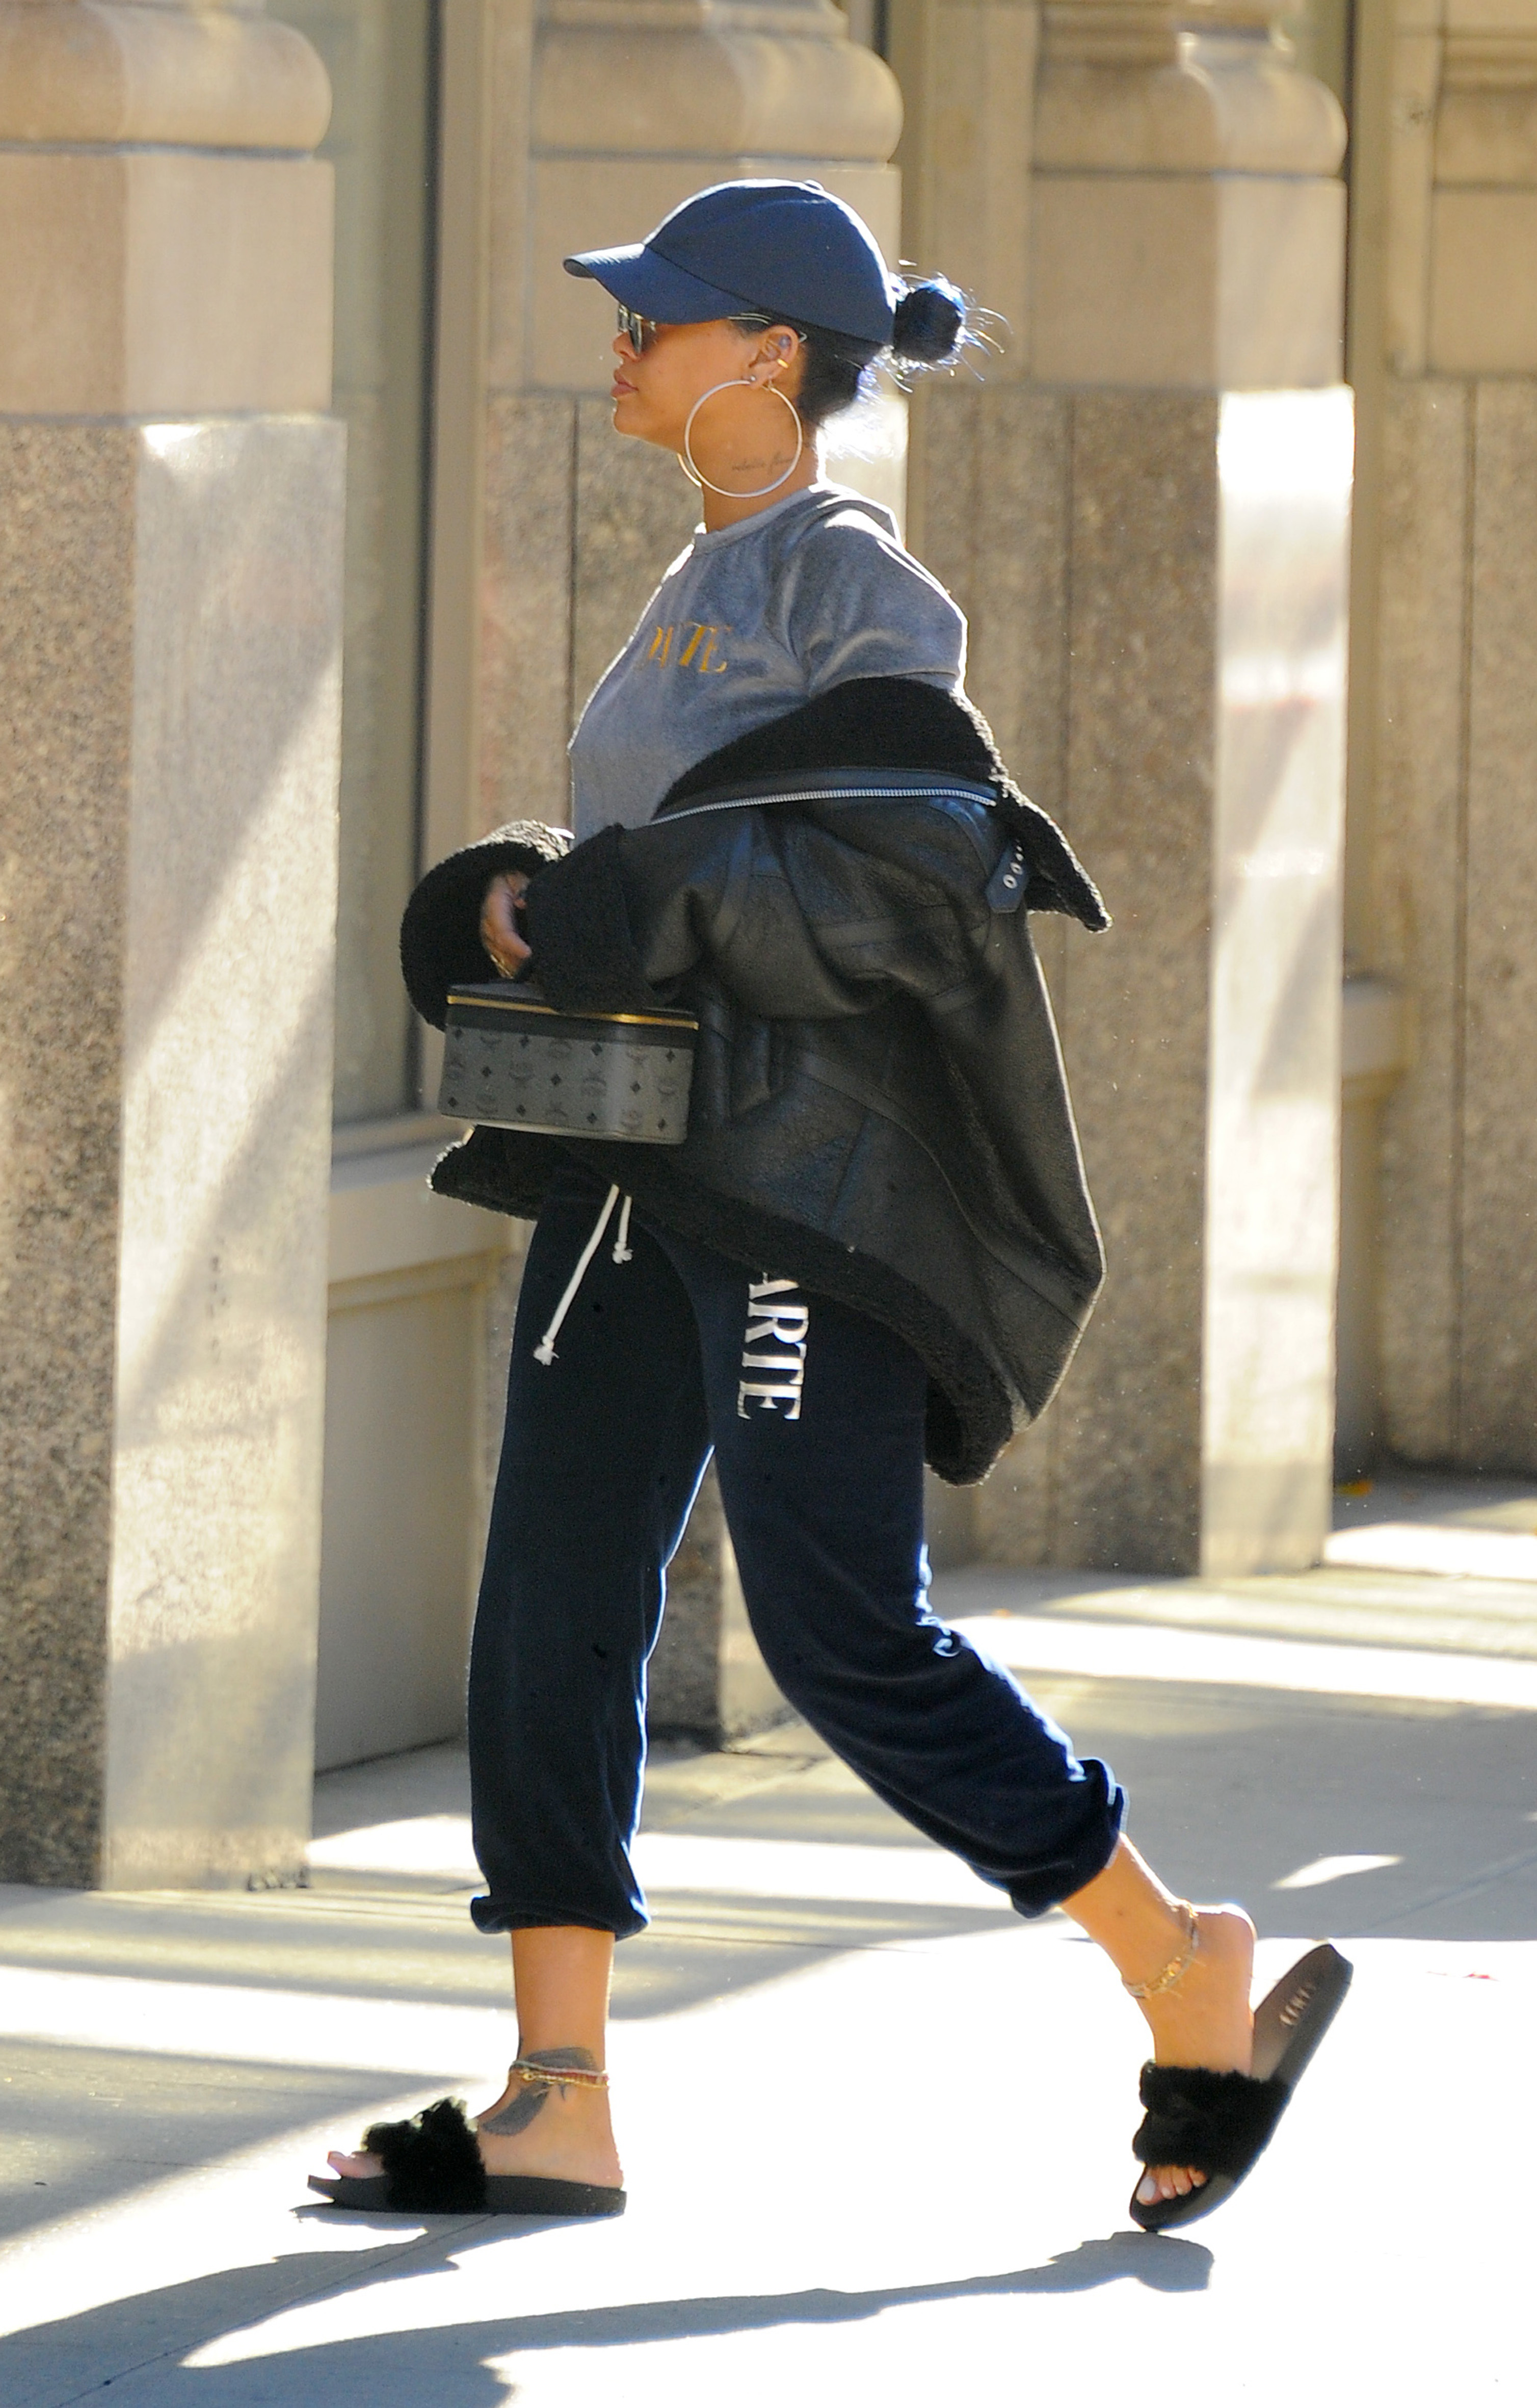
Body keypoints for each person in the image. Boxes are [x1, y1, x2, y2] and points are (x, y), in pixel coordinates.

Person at [312, 180, 1347, 2235]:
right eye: (627, 316)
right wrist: (525, 891)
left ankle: (1176, 1960)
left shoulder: (850, 575)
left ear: (769, 354)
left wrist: (632, 896)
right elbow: (695, 847)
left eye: (659, 319)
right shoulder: (702, 569)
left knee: (841, 1626)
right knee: (548, 1608)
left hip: (803, 1189)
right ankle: (556, 2095)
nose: (622, 345)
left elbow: (905, 866)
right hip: (640, 1167)